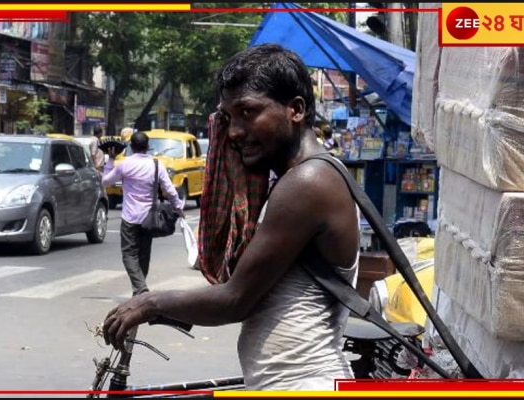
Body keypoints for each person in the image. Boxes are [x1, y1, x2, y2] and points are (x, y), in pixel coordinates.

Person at [102, 44, 361, 391]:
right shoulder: (297, 178)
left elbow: (234, 300)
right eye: (227, 118)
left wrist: (149, 302)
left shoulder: (307, 182)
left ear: (295, 110)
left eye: (248, 112)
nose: (235, 132)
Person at [101, 132, 185, 296]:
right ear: (147, 147)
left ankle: (140, 289)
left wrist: (111, 159)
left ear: (131, 147)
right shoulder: (156, 165)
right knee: (144, 254)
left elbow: (105, 181)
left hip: (129, 218)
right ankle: (139, 291)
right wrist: (179, 207)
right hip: (149, 218)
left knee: (129, 254)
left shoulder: (124, 164)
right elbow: (169, 189)